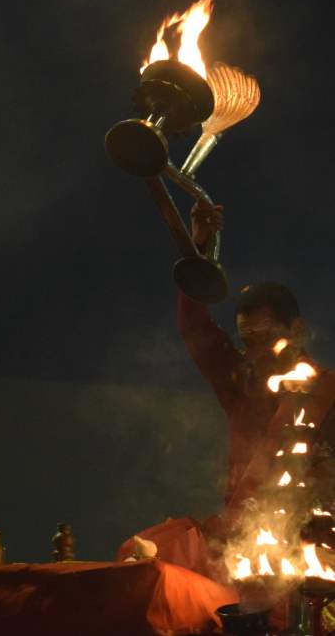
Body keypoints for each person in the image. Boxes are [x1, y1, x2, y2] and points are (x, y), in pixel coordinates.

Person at [117, 201, 335, 576]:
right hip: (240, 540)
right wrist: (198, 249)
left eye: (265, 338)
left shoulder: (325, 389)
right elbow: (195, 327)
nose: (255, 353)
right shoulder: (242, 381)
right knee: (141, 557)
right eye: (247, 342)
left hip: (310, 546)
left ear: (297, 331)